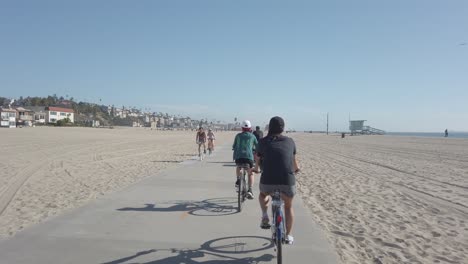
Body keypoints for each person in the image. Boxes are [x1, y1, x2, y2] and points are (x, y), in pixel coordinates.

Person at [255, 116, 300, 245]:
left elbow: (257, 158)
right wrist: (297, 170)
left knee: (263, 195)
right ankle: (289, 235)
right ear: (283, 128)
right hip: (287, 181)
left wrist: (256, 169)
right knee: (288, 205)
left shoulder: (263, 141)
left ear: (269, 127)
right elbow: (294, 162)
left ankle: (264, 215)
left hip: (267, 181)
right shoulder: (290, 141)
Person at [232, 120, 259, 199]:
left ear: (242, 128)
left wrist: (235, 148)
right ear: (250, 128)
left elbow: (234, 146)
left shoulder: (238, 136)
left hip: (239, 158)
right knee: (250, 173)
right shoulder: (252, 136)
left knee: (238, 166)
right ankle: (250, 190)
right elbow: (257, 146)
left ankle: (238, 180)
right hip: (248, 158)